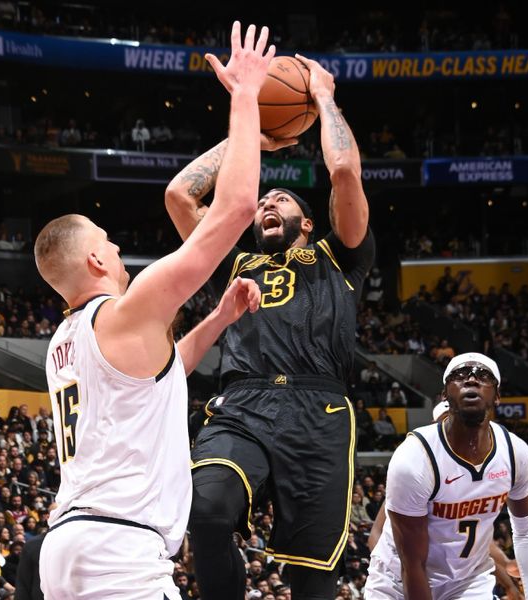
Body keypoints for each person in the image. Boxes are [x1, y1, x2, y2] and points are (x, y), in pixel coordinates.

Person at [34, 21, 272, 600]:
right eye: (109, 241)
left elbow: (158, 377)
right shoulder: (122, 313)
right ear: (94, 260)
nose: (118, 249)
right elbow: (236, 208)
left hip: (68, 547)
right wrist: (245, 97)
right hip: (120, 553)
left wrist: (216, 321)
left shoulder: (65, 342)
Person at [165, 52, 374, 599]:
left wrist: (323, 95)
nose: (265, 203)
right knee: (206, 510)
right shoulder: (234, 266)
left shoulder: (340, 258)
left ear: (307, 222)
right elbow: (181, 195)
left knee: (311, 581)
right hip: (242, 405)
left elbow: (345, 171)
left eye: (279, 198)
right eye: (261, 202)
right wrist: (251, 139)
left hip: (319, 410)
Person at [365, 353, 528, 600]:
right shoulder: (414, 460)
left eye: (483, 375)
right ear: (445, 397)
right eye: (459, 375)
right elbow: (411, 562)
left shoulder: (515, 452)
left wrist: (527, 591)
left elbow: (526, 531)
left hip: (467, 580)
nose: (471, 379)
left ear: (497, 396)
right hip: (400, 580)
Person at [367, 399, 524, 599]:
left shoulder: (475, 479)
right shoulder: (417, 472)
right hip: (401, 576)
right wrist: (387, 566)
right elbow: (377, 532)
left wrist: (508, 572)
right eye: (448, 422)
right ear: (435, 427)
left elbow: (476, 541)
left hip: (452, 581)